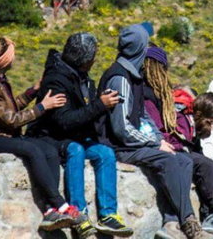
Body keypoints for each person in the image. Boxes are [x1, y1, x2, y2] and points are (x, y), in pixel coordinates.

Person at [0, 38, 90, 232]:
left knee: (49, 150)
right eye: (11, 54)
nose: (15, 58)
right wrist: (43, 106)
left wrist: (32, 92)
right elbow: (11, 120)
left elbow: (8, 109)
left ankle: (50, 211)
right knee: (32, 149)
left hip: (5, 133)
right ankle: (60, 204)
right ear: (4, 60)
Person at [97, 25, 202, 239]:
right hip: (120, 146)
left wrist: (158, 139)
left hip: (134, 143)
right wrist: (155, 144)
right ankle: (188, 220)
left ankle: (172, 222)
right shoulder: (120, 79)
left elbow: (142, 115)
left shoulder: (133, 76)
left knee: (184, 160)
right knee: (170, 160)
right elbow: (121, 128)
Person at [27, 33, 133, 238]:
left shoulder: (83, 78)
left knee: (104, 153)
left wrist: (104, 107)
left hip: (75, 135)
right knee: (75, 150)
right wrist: (100, 105)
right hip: (51, 136)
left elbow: (85, 115)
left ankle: (108, 215)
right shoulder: (56, 80)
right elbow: (63, 121)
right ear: (85, 60)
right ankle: (78, 214)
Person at [143, 48, 213, 237]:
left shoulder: (192, 126)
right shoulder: (184, 120)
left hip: (179, 154)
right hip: (169, 152)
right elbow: (173, 139)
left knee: (207, 165)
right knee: (204, 164)